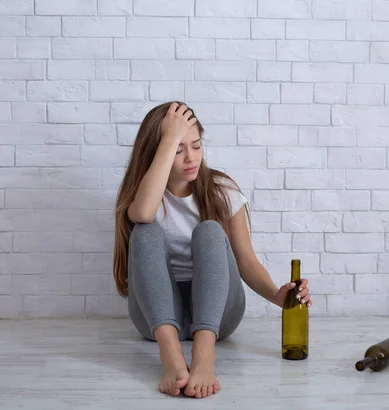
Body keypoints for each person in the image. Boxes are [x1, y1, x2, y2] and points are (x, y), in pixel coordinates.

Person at [112, 101, 313, 399]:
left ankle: (204, 356)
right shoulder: (145, 196)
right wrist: (168, 137)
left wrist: (277, 295)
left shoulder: (221, 189)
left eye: (196, 145)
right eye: (178, 149)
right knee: (145, 231)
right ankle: (172, 357)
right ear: (159, 153)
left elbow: (245, 260)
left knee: (209, 230)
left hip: (218, 314)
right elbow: (142, 214)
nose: (190, 158)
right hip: (156, 317)